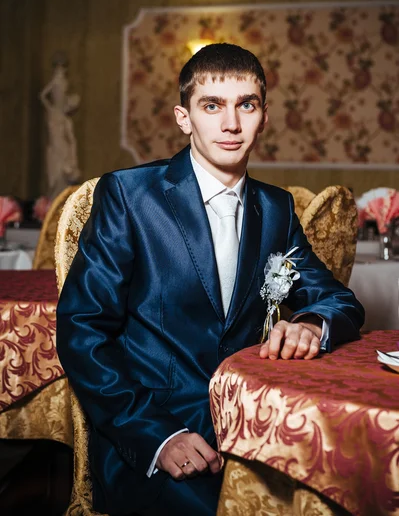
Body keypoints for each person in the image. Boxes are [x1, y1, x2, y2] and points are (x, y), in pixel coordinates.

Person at [56, 43, 364, 516]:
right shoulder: (128, 196)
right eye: (212, 105)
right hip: (153, 434)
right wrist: (157, 437)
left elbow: (339, 302)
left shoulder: (276, 209)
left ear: (264, 116)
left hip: (256, 429)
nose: (231, 124)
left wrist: (311, 325)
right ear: (184, 118)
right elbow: (82, 330)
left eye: (247, 105)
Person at [39, 60, 81, 199]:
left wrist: (72, 161)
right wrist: (50, 108)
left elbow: (72, 141)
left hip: (64, 151)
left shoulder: (66, 121)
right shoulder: (55, 116)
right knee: (56, 158)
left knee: (63, 162)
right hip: (56, 134)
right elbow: (42, 96)